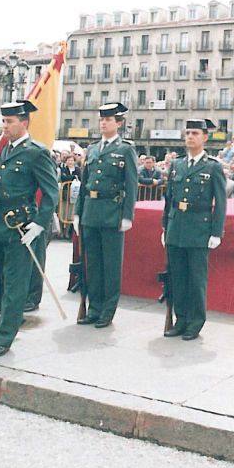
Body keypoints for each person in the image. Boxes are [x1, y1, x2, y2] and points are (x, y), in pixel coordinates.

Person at [0, 100, 60, 358]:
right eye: (3, 121)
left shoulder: (37, 152)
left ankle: (4, 337)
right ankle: (11, 315)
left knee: (15, 282)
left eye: (9, 122)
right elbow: (1, 185)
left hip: (19, 225)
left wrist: (39, 224)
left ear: (24, 123)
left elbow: (51, 192)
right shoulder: (2, 151)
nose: (4, 126)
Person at [73, 102, 138, 329]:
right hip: (91, 211)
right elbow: (84, 183)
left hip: (112, 212)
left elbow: (131, 184)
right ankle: (94, 308)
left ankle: (107, 312)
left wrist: (127, 215)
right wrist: (77, 212)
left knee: (110, 266)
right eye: (101, 119)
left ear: (118, 123)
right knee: (93, 265)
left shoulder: (125, 149)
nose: (103, 123)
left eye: (108, 120)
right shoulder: (91, 149)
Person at [161, 118, 227, 340]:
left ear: (205, 137)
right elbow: (168, 199)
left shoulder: (213, 166)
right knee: (178, 277)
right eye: (188, 132)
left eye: (195, 133)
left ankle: (195, 322)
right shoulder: (177, 165)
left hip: (199, 229)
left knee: (196, 279)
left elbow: (220, 201)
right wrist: (165, 227)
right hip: (176, 227)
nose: (190, 136)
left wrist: (217, 232)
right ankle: (181, 320)